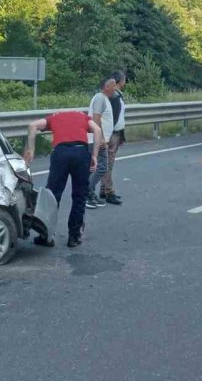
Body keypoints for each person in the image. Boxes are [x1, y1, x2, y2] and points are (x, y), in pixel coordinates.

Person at [24, 111, 103, 248]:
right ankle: (74, 237)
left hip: (60, 154)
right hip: (81, 152)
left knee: (53, 196)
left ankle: (46, 237)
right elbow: (97, 129)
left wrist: (31, 150)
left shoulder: (55, 118)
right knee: (79, 196)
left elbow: (32, 125)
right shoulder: (83, 117)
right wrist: (94, 155)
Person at [86, 76, 116, 209]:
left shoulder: (105, 99)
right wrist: (102, 138)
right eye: (113, 85)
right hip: (96, 140)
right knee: (102, 167)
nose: (115, 87)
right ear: (106, 87)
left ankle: (88, 193)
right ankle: (87, 192)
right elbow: (96, 118)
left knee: (93, 168)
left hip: (97, 139)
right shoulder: (100, 98)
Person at [101, 70, 126, 205]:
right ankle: (109, 191)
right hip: (112, 134)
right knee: (108, 164)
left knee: (107, 164)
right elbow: (114, 118)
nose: (125, 82)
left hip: (114, 133)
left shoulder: (116, 95)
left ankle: (103, 189)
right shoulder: (115, 96)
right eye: (124, 80)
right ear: (119, 81)